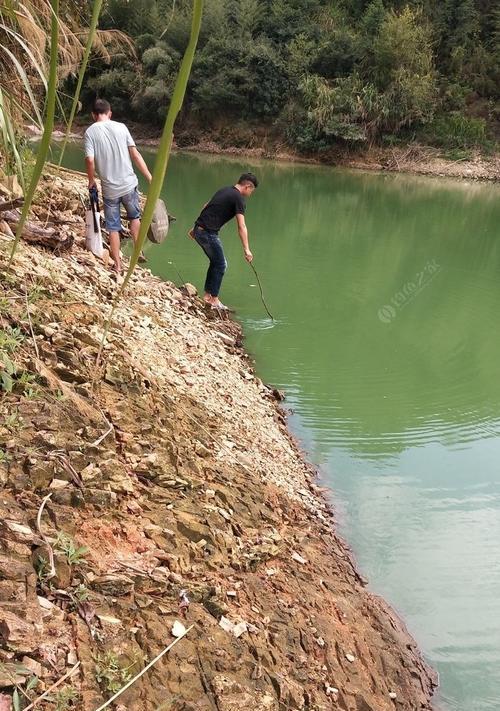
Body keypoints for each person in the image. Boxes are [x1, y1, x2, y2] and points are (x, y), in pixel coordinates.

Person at [84, 98, 152, 274]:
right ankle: (138, 253)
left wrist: (91, 180)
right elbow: (135, 154)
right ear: (110, 113)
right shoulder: (122, 127)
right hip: (129, 184)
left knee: (113, 228)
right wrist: (150, 177)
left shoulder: (90, 132)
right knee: (134, 218)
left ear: (93, 115)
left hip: (110, 190)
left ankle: (118, 266)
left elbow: (90, 160)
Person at [189, 173, 258, 309]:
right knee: (221, 264)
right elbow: (241, 226)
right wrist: (247, 249)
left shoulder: (225, 190)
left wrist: (195, 227)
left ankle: (208, 296)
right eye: (252, 190)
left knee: (216, 262)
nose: (251, 193)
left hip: (200, 230)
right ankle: (214, 299)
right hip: (208, 233)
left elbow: (206, 206)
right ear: (247, 186)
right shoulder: (238, 198)